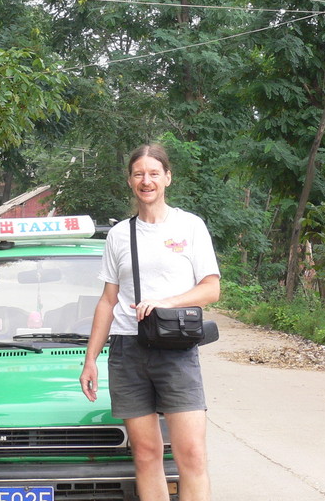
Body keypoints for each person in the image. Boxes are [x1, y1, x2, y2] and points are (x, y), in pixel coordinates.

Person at [79, 143, 221, 501]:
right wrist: (90, 359)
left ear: (167, 178)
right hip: (127, 350)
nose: (147, 180)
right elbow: (108, 300)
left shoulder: (190, 226)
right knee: (145, 455)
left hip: (176, 349)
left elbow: (211, 289)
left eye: (154, 173)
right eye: (139, 174)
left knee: (190, 455)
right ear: (130, 181)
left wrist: (165, 302)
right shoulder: (118, 235)